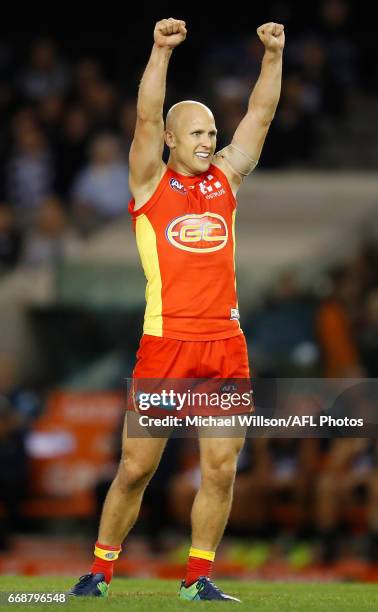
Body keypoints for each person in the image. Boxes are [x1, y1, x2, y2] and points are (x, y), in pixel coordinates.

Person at [69, 17, 284, 602]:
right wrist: (160, 51)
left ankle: (197, 579)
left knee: (220, 469)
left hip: (225, 346)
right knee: (136, 470)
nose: (209, 140)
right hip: (166, 346)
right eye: (196, 132)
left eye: (212, 131)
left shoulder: (227, 179)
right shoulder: (148, 185)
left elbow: (260, 118)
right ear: (170, 139)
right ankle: (100, 571)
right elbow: (142, 117)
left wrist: (272, 57)